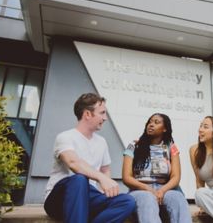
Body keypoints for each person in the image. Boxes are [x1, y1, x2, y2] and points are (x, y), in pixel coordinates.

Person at [44, 93, 136, 223]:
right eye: (102, 113)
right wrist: (101, 178)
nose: (105, 118)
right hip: (59, 199)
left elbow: (105, 169)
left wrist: (105, 189)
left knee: (127, 201)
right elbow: (73, 163)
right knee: (80, 179)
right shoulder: (65, 137)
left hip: (89, 197)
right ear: (87, 114)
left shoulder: (102, 142)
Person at [122, 113, 192, 223]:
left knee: (178, 198)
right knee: (148, 199)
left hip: (164, 189)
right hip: (140, 190)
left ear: (164, 129)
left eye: (156, 122)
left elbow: (175, 176)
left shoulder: (171, 147)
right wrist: (147, 189)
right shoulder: (133, 146)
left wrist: (162, 190)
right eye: (150, 122)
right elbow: (126, 177)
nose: (151, 125)